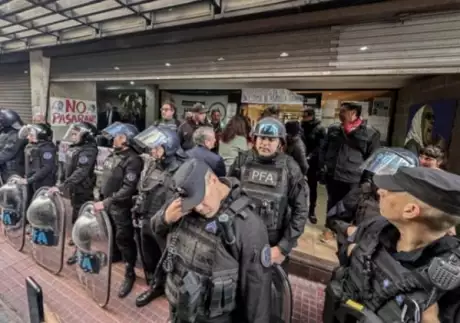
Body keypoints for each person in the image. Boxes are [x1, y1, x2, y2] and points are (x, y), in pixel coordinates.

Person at [324, 166, 460, 323]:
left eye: (391, 190)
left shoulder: (452, 279)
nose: (381, 191)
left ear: (409, 211)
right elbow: (344, 263)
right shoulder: (375, 227)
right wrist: (352, 252)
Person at [151, 158, 271, 323]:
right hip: (179, 309)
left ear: (213, 180)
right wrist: (165, 218)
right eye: (193, 203)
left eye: (201, 199)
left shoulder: (248, 226)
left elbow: (257, 296)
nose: (198, 207)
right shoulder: (184, 200)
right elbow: (155, 227)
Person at [228, 117, 309, 265]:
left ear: (280, 143)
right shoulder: (242, 161)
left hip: (272, 241)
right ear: (254, 139)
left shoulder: (290, 168)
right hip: (240, 236)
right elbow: (227, 195)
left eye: (271, 140)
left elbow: (301, 210)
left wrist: (283, 247)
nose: (265, 143)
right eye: (262, 138)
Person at [326, 147, 419, 265]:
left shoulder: (409, 207)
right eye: (384, 172)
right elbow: (333, 218)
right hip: (354, 258)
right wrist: (348, 229)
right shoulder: (364, 192)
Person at [131, 125, 188, 307]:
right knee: (148, 256)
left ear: (169, 147)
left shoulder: (181, 170)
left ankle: (168, 289)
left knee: (168, 261)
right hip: (146, 219)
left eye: (157, 147)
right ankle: (154, 285)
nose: (153, 151)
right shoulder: (153, 165)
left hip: (165, 225)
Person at [91, 122, 143, 298]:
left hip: (121, 207)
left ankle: (130, 271)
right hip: (107, 203)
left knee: (124, 238)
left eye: (118, 136)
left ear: (126, 139)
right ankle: (115, 256)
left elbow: (128, 188)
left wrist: (107, 202)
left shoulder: (133, 160)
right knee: (110, 232)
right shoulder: (115, 154)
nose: (114, 139)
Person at [319, 102, 381, 212]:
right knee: (332, 202)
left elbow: (373, 158)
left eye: (343, 111)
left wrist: (366, 178)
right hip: (333, 175)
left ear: (353, 113)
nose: (340, 114)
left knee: (351, 204)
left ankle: (345, 227)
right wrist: (323, 165)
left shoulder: (370, 133)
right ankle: (330, 226)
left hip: (354, 179)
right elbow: (324, 148)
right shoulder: (334, 129)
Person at [54, 122, 98, 261]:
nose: (73, 136)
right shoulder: (76, 148)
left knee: (82, 219)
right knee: (76, 215)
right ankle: (78, 238)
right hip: (74, 188)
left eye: (76, 134)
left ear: (85, 136)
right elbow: (66, 166)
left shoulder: (89, 150)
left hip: (83, 189)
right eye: (72, 133)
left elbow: (81, 171)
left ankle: (81, 250)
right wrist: (62, 181)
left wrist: (64, 185)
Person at [18, 123, 57, 197]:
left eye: (31, 135)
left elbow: (46, 168)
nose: (28, 137)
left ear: (40, 136)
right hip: (33, 181)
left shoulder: (47, 149)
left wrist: (29, 180)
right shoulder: (33, 146)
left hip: (43, 183)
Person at [301, 106, 326, 223]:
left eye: (306, 115)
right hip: (300, 159)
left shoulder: (319, 129)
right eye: (303, 115)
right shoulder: (301, 127)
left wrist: (310, 156)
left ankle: (311, 211)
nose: (304, 118)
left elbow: (321, 147)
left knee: (312, 187)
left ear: (311, 116)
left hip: (313, 162)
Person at [0, 109, 27, 183]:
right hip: (5, 168)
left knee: (11, 192)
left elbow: (8, 152)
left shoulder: (17, 135)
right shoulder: (6, 132)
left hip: (12, 170)